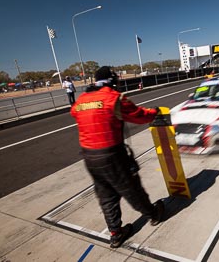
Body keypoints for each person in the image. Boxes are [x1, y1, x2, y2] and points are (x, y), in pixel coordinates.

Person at [70, 66, 165, 248]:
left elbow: (74, 112)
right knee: (131, 189)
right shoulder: (113, 98)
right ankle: (153, 214)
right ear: (112, 80)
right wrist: (154, 112)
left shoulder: (81, 100)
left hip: (89, 157)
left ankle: (115, 233)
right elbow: (139, 116)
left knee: (106, 196)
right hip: (112, 154)